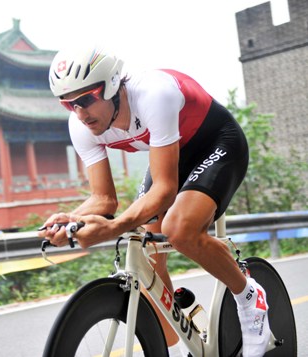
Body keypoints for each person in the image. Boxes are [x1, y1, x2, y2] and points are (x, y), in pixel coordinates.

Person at [38, 47, 271, 356]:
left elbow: (163, 189)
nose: (79, 113)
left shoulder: (152, 95)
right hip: (171, 152)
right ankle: (181, 327)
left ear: (109, 86)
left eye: (86, 100)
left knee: (179, 229)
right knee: (146, 246)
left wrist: (111, 229)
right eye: (68, 104)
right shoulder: (82, 126)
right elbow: (103, 199)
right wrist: (73, 218)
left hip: (217, 144)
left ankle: (249, 296)